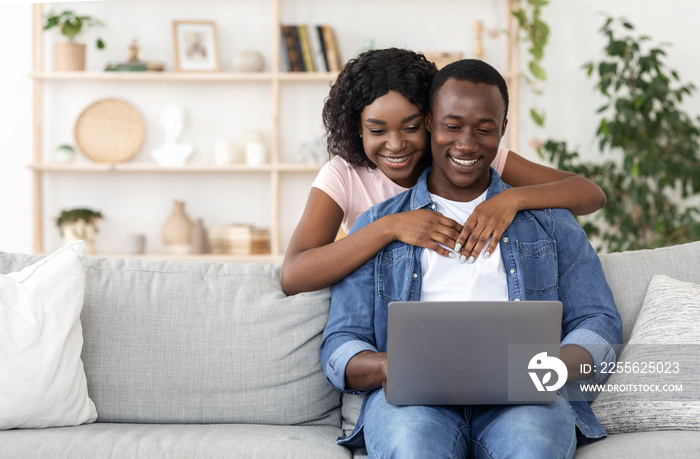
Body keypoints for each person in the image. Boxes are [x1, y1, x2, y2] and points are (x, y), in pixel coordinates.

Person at [319, 58, 622, 458]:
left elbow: (598, 320)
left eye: (484, 130)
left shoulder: (549, 222)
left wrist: (554, 369)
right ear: (429, 122)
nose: (466, 144)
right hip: (413, 404)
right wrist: (387, 368)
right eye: (452, 125)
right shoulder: (380, 225)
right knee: (412, 446)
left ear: (502, 130)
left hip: (523, 400)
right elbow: (340, 340)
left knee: (534, 445)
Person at [282, 48, 606, 295]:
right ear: (357, 128)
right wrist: (390, 227)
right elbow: (294, 275)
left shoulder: (467, 156)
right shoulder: (343, 175)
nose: (395, 145)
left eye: (409, 127)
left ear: (430, 120)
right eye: (377, 131)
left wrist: (512, 200)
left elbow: (589, 195)